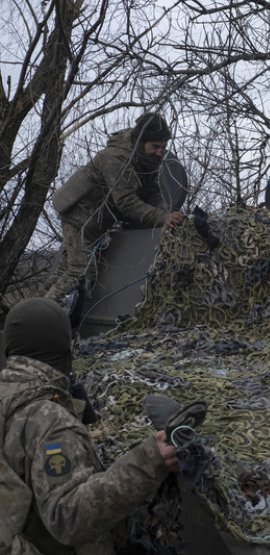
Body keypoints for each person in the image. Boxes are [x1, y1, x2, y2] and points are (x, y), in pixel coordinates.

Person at [0, 297, 179, 553]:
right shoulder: (48, 419)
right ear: (63, 346)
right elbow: (68, 516)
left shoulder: (9, 397)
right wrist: (150, 460)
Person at [47, 113, 186, 300]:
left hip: (96, 221)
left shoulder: (147, 159)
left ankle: (28, 313)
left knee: (63, 272)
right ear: (140, 141)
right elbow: (126, 202)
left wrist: (168, 215)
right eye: (155, 147)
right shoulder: (116, 158)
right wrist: (163, 218)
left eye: (163, 147)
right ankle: (40, 319)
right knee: (79, 273)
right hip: (80, 218)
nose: (160, 152)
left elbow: (152, 191)